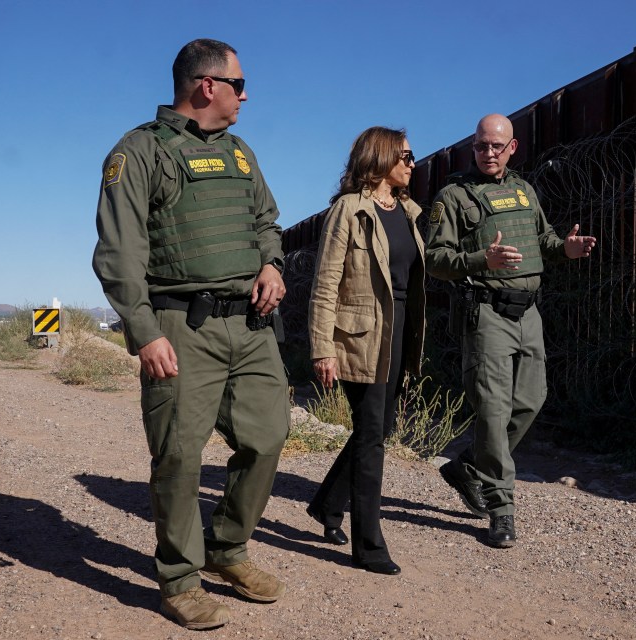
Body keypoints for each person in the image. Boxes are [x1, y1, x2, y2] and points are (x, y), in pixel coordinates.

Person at [92, 39, 289, 630]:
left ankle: (228, 549)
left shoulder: (240, 153)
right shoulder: (139, 152)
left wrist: (273, 264)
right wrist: (144, 331)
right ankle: (179, 576)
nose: (246, 95)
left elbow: (266, 221)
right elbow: (119, 252)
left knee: (269, 435)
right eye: (239, 84)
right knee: (179, 454)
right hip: (181, 325)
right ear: (208, 86)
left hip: (250, 326)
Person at [425, 114, 596, 548]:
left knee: (531, 400)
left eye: (496, 146)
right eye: (481, 146)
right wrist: (484, 259)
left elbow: (546, 241)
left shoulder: (524, 190)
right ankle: (501, 509)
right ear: (473, 147)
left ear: (512, 148)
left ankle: (468, 466)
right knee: (494, 410)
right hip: (486, 314)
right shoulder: (454, 194)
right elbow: (435, 260)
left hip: (529, 314)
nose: (488, 154)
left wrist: (568, 250)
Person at [306, 127, 426, 576]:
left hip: (398, 334)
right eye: (407, 155)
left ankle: (326, 505)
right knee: (372, 433)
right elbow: (324, 284)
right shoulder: (349, 211)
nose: (413, 163)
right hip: (358, 338)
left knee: (378, 427)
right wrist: (322, 348)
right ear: (381, 158)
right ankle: (369, 546)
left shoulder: (410, 212)